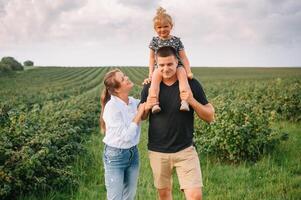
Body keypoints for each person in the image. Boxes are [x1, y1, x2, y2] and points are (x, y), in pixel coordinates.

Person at [141, 46, 215, 200]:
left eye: (169, 64)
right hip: (158, 151)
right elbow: (142, 117)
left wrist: (191, 100)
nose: (166, 69)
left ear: (177, 63)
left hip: (185, 150)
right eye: (161, 65)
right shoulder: (149, 87)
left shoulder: (192, 84)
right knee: (164, 195)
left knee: (195, 196)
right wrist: (146, 107)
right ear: (156, 65)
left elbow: (210, 116)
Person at [100, 69, 145, 200]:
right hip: (115, 157)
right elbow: (126, 136)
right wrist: (138, 114)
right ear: (117, 89)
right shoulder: (112, 107)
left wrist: (148, 85)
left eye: (124, 76)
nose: (127, 78)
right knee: (115, 197)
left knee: (129, 196)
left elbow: (145, 104)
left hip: (133, 154)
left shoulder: (132, 102)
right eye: (123, 78)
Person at [148, 7, 194, 114]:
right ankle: (154, 104)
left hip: (177, 67)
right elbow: (151, 58)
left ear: (171, 26)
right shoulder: (154, 41)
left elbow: (183, 57)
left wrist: (189, 71)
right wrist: (150, 73)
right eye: (159, 27)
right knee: (154, 84)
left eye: (165, 26)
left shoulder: (176, 40)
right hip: (159, 68)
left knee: (183, 81)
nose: (162, 29)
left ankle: (184, 101)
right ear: (155, 29)